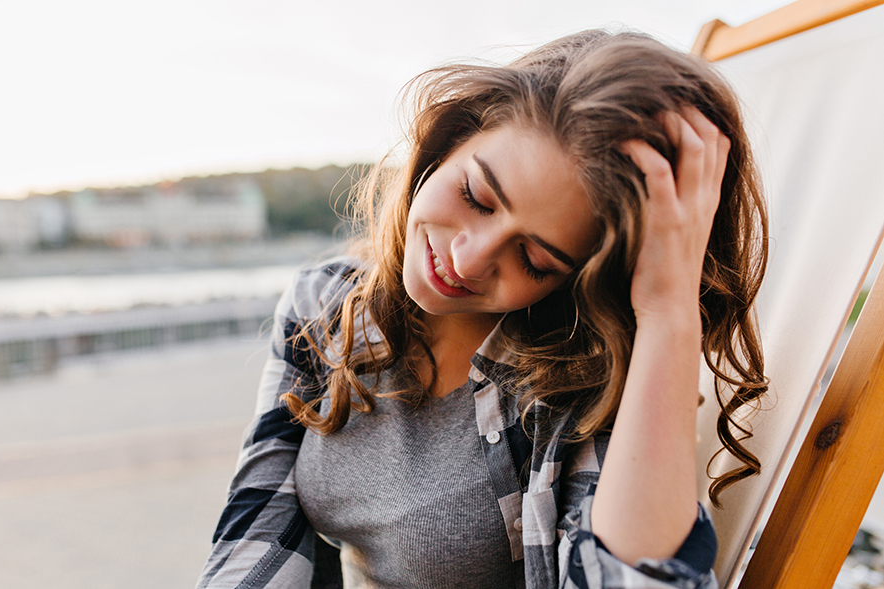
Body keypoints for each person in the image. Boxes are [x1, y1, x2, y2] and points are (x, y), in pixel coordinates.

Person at [196, 28, 768, 589]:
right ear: (447, 143)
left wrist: (669, 309)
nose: (467, 262)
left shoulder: (578, 389)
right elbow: (258, 525)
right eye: (476, 196)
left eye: (535, 259)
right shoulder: (324, 303)